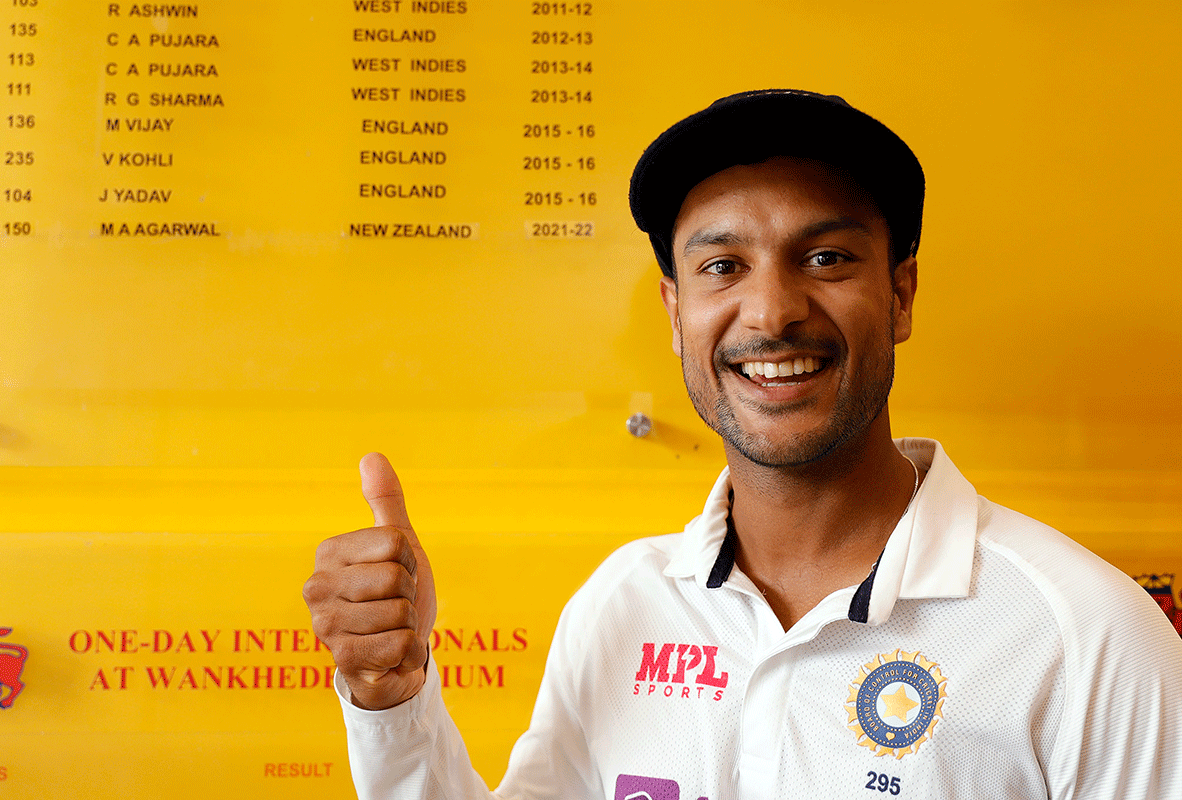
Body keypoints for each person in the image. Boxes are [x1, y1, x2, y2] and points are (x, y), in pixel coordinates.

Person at [303, 90, 1182, 799]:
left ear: (902, 295)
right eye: (722, 267)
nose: (771, 313)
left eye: (827, 258)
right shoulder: (621, 607)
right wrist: (396, 704)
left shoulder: (1086, 637)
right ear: (676, 311)